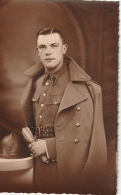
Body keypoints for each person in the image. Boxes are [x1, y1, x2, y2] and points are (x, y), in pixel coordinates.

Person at [21, 28, 107, 193]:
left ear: (64, 48)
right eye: (43, 47)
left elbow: (86, 136)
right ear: (37, 51)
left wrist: (48, 147)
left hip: (71, 169)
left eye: (54, 45)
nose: (48, 52)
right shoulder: (35, 83)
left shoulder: (86, 88)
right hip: (39, 167)